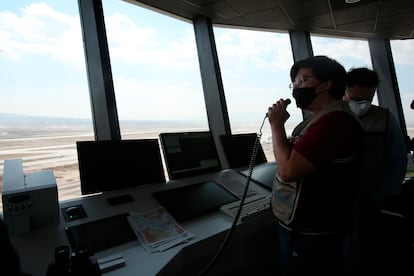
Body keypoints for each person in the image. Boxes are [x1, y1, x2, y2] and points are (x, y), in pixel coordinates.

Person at [267, 55, 365, 276]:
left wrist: (276, 125)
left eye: (304, 80)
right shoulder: (325, 119)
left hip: (310, 232)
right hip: (317, 226)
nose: (297, 87)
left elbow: (288, 171)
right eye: (295, 82)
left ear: (326, 84)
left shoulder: (334, 122)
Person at [343, 67, 408, 274]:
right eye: (355, 98)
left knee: (365, 251)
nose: (361, 104)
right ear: (344, 91)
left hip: (369, 198)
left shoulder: (385, 119)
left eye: (367, 99)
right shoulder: (332, 116)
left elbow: (397, 161)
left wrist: (378, 195)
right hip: (336, 201)